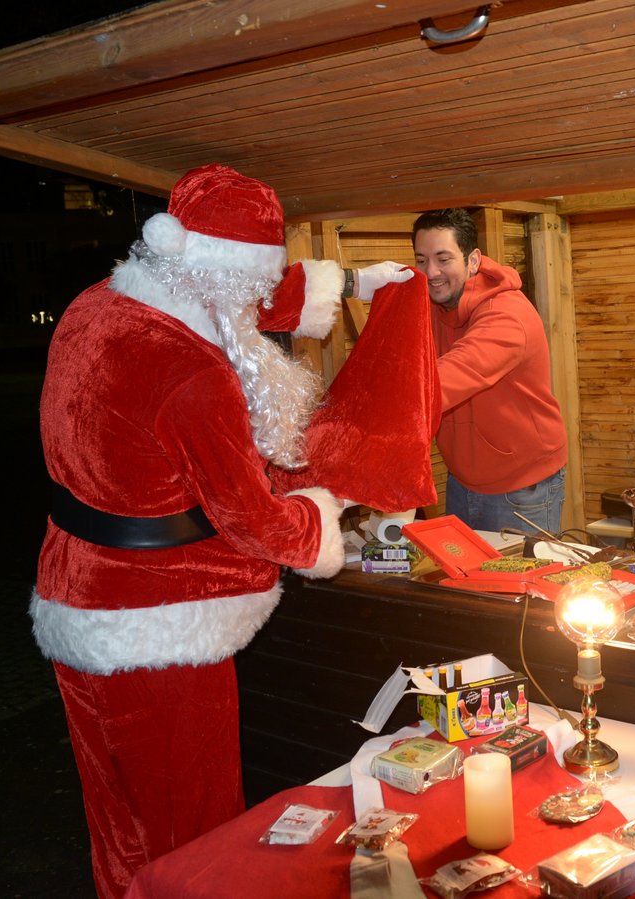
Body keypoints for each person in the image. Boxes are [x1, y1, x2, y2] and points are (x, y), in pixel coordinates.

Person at [29, 163, 424, 898]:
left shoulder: (100, 305)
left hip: (75, 601)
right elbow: (252, 521)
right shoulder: (195, 376)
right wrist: (320, 516)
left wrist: (354, 283)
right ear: (221, 274)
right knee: (195, 831)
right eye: (250, 286)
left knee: (119, 821)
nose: (257, 303)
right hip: (164, 626)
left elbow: (242, 298)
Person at [411, 208, 568, 533]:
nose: (431, 272)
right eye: (422, 260)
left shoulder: (506, 315)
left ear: (472, 260)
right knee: (462, 582)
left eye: (443, 258)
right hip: (463, 479)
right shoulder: (433, 306)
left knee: (518, 583)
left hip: (521, 487)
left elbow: (451, 376)